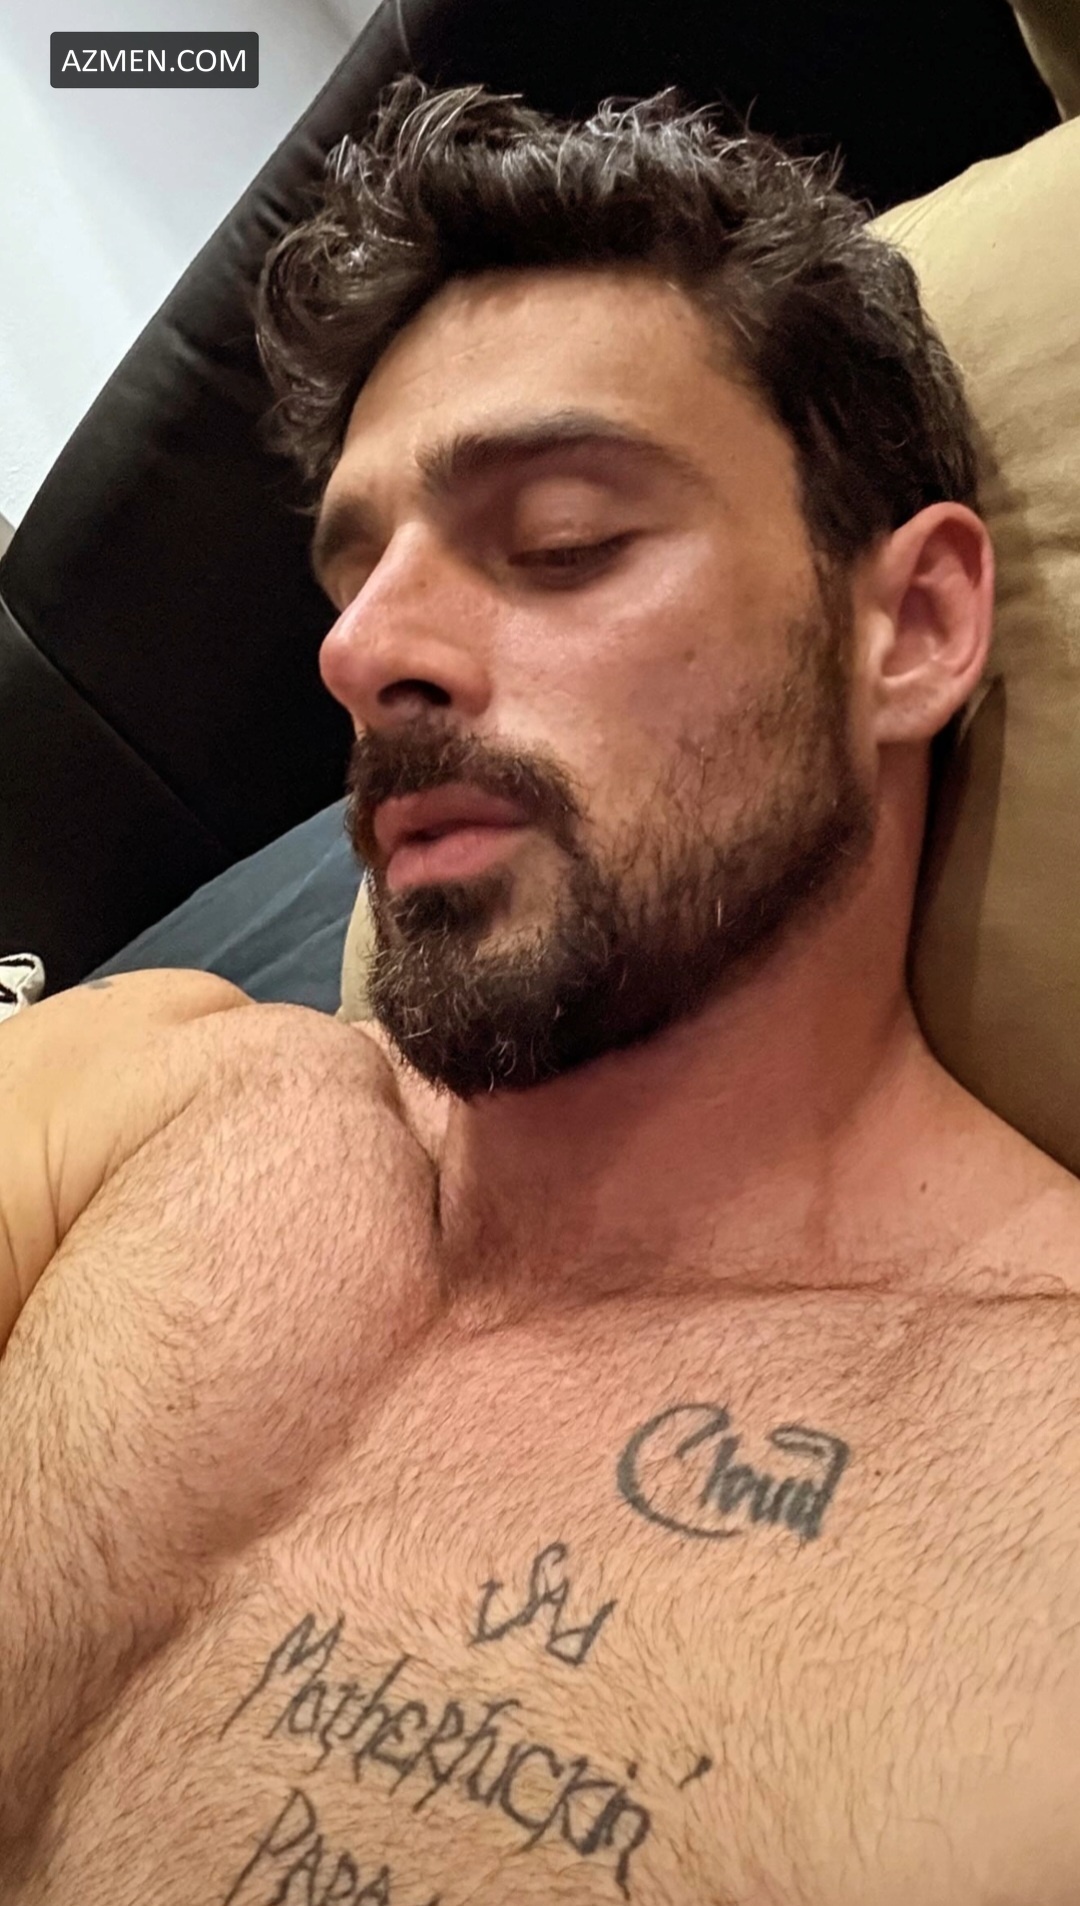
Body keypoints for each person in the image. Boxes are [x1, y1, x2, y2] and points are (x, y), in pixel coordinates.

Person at [2, 74, 1078, 1906]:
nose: (361, 652)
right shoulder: (158, 1089)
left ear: (908, 629)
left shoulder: (1040, 1504)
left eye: (564, 538)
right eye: (355, 573)